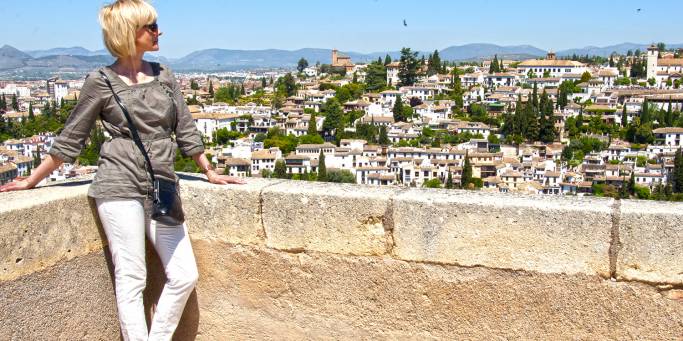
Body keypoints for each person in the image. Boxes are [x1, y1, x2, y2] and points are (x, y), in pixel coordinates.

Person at [0, 0, 244, 339]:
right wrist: (31, 180)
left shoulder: (165, 76)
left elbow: (186, 128)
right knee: (132, 279)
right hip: (118, 183)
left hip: (161, 184)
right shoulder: (100, 81)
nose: (160, 32)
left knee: (184, 273)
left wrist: (208, 170)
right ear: (129, 33)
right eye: (151, 26)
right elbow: (72, 137)